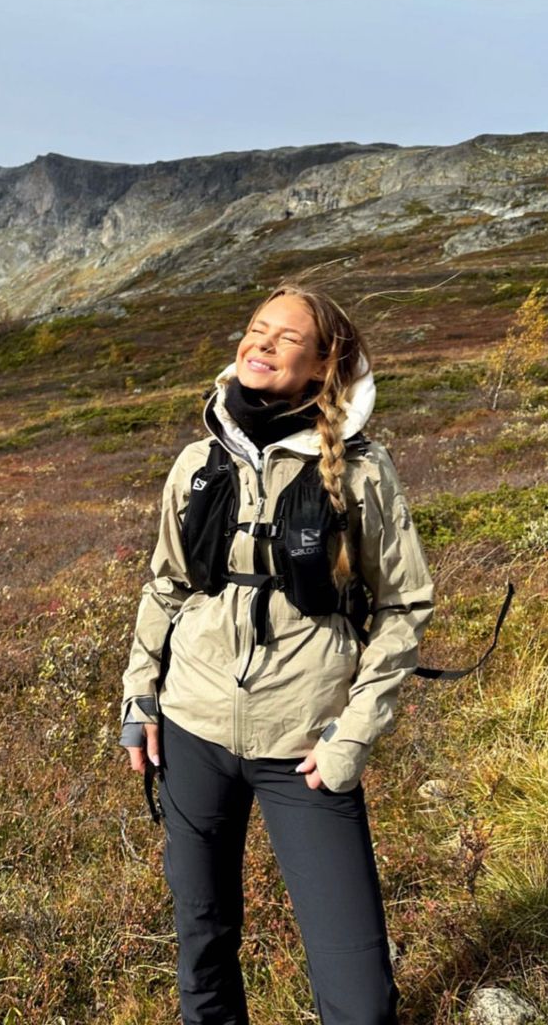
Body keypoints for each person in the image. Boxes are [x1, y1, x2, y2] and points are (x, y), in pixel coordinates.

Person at [119, 281, 436, 1025]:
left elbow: (402, 607)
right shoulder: (199, 460)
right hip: (193, 730)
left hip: (306, 746)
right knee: (203, 941)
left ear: (326, 364)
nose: (260, 343)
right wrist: (141, 698)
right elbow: (165, 587)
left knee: (356, 988)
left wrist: (350, 736)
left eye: (285, 337)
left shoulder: (362, 471)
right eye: (256, 329)